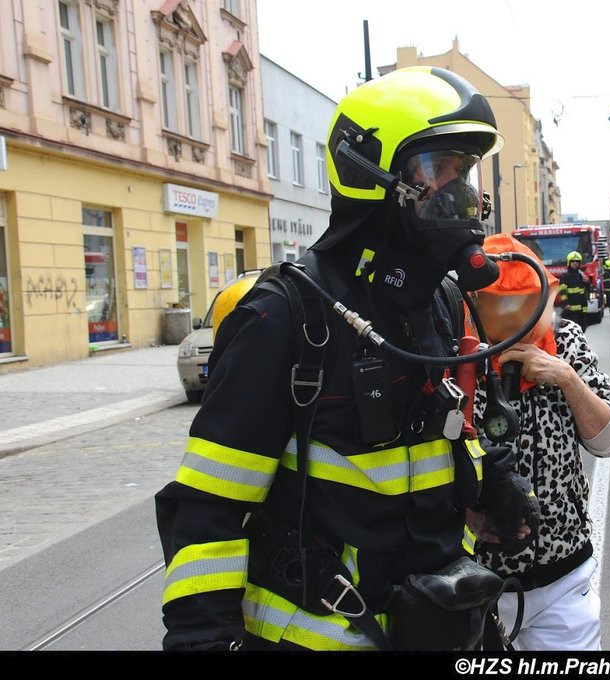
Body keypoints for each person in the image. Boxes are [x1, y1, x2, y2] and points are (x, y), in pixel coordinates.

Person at [154, 66, 540, 652]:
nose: (460, 193)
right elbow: (208, 506)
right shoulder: (285, 316)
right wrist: (203, 640)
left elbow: (437, 431)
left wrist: (489, 478)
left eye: (465, 172)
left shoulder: (435, 299)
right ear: (372, 175)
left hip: (438, 624)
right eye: (440, 169)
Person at [469, 233, 610, 651]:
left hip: (564, 579)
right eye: (498, 307)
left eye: (523, 306)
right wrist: (470, 517)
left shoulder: (568, 341)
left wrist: (567, 378)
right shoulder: (458, 358)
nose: (512, 321)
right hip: (478, 583)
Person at [556, 250, 590, 331]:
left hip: (582, 308)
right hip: (571, 310)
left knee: (582, 329)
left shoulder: (581, 275)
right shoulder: (565, 276)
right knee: (573, 330)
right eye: (573, 261)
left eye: (577, 262)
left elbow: (588, 289)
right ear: (569, 263)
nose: (575, 263)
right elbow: (562, 291)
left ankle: (581, 343)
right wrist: (566, 303)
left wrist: (587, 282)